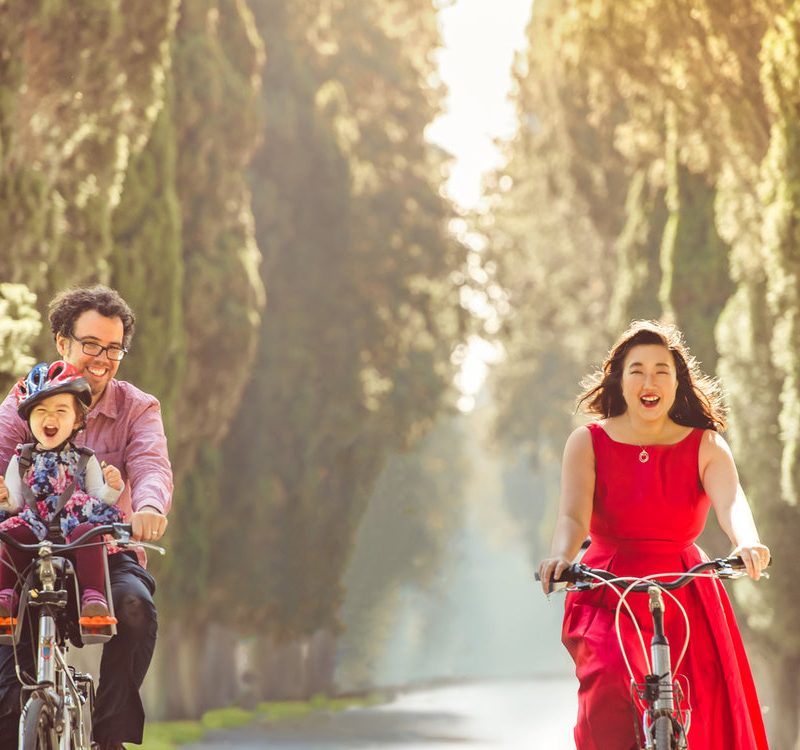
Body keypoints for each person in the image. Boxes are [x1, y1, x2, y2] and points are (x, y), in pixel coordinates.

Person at [537, 320, 770, 750]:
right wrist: (560, 557)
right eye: (637, 370)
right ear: (619, 381)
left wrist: (747, 541)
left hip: (686, 586)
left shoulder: (706, 445)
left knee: (706, 706)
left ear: (677, 381)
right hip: (608, 586)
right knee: (609, 684)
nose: (650, 381)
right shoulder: (586, 442)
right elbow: (572, 518)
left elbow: (733, 501)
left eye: (662, 370)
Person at [0, 285, 172, 750]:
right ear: (62, 341)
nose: (102, 357)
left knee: (135, 608)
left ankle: (109, 737)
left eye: (114, 348)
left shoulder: (138, 407)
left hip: (104, 546)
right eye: (90, 344)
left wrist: (150, 509)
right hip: (30, 549)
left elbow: (152, 466)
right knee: (2, 626)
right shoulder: (27, 398)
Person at [0, 360, 125, 621]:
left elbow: (97, 496)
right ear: (28, 417)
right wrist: (4, 498)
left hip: (74, 527)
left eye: (61, 410)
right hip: (34, 525)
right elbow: (14, 504)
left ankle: (93, 597)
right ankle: (6, 595)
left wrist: (113, 488)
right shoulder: (20, 459)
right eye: (41, 410)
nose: (50, 418)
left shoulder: (84, 458)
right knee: (11, 534)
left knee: (90, 533)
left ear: (78, 419)